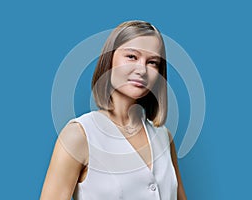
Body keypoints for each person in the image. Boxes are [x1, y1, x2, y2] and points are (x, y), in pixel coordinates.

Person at [40, 20, 187, 200]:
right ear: (109, 61)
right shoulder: (79, 135)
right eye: (132, 56)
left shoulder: (164, 137)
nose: (142, 69)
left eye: (152, 62)